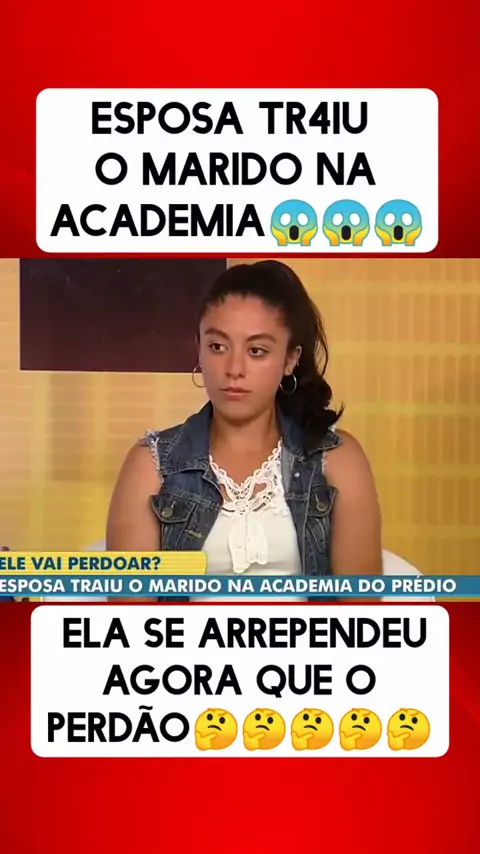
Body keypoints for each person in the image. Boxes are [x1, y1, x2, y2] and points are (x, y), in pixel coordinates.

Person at [107, 260, 382, 599]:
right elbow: (131, 616)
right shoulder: (151, 465)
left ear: (290, 359)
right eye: (217, 347)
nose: (234, 368)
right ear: (198, 348)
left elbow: (361, 611)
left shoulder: (336, 460)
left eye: (256, 351)